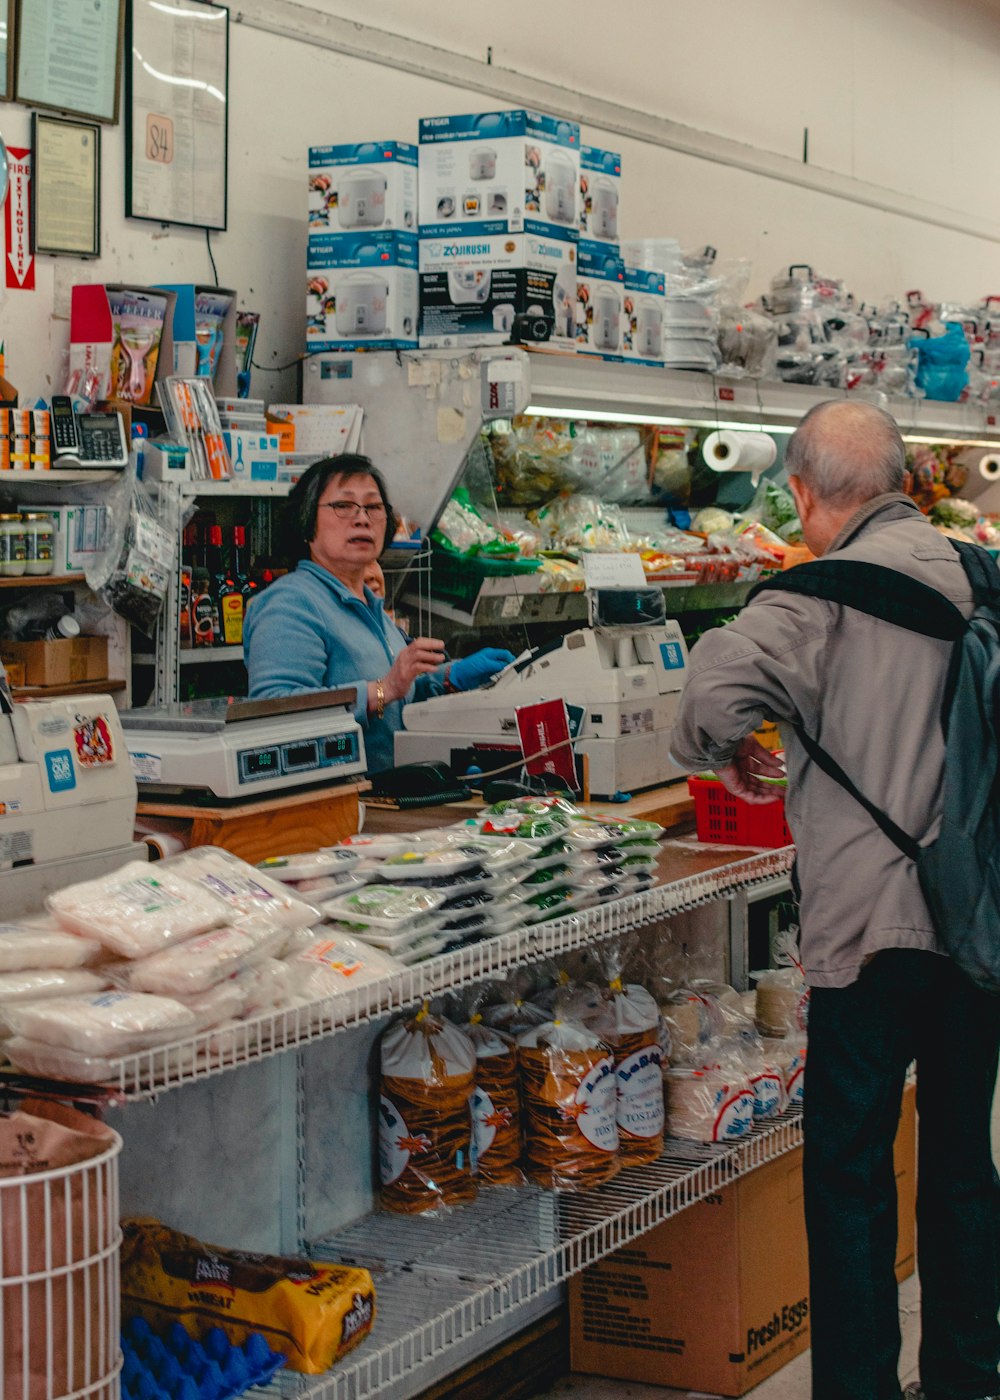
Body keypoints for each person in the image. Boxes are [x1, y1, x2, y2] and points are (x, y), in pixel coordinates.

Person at [670, 400, 1000, 1400]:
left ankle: (858, 1383)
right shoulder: (984, 571)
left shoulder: (807, 596)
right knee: (960, 1156)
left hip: (865, 934)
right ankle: (967, 1371)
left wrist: (733, 754)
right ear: (902, 480)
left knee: (851, 1170)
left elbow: (702, 704)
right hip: (980, 922)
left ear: (805, 495)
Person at [243, 454, 513, 773]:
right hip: (331, 808)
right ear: (306, 521)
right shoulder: (290, 604)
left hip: (386, 799)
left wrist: (445, 679)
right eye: (343, 506)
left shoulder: (372, 607)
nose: (362, 519)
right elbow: (276, 712)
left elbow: (396, 700)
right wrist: (385, 689)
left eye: (373, 507)